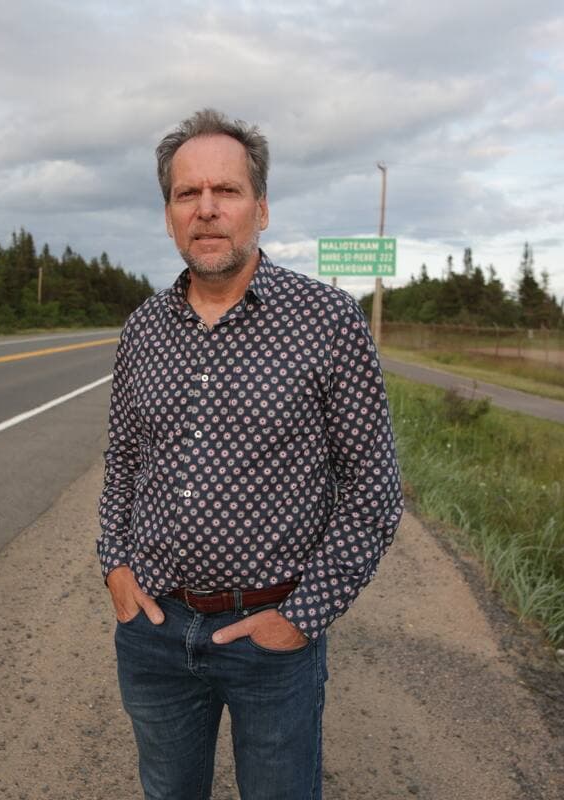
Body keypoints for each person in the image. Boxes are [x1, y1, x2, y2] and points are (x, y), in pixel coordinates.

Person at [98, 108, 403, 800]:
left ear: (260, 208)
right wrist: (114, 566)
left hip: (272, 637)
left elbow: (373, 491)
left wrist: (301, 618)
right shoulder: (142, 331)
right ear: (169, 215)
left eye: (226, 192)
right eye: (187, 194)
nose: (207, 210)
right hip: (153, 633)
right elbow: (121, 462)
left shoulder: (326, 322)